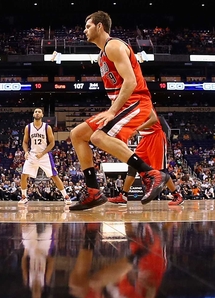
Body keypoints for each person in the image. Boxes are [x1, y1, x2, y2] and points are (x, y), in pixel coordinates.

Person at [68, 11, 170, 211]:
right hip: (123, 103)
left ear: (100, 26)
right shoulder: (101, 56)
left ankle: (151, 174)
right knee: (77, 134)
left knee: (97, 137)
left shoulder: (113, 46)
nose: (84, 30)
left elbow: (131, 81)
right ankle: (93, 191)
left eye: (88, 26)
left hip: (136, 101)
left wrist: (112, 111)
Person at [107, 112, 184, 206]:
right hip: (145, 138)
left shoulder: (142, 101)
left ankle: (177, 195)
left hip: (156, 136)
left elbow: (154, 119)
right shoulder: (127, 107)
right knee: (133, 165)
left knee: (160, 171)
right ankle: (123, 196)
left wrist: (136, 130)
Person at [18, 108, 71, 205]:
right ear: (33, 114)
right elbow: (25, 142)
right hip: (32, 154)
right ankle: (24, 197)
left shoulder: (47, 127)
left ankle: (66, 197)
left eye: (39, 112)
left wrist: (42, 153)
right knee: (23, 175)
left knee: (54, 176)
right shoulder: (28, 127)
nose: (37, 113)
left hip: (44, 155)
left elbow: (52, 143)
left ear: (42, 115)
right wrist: (26, 152)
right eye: (35, 112)